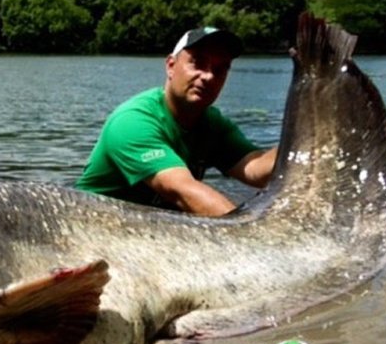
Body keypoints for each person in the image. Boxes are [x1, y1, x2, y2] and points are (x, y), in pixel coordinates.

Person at [75, 26, 277, 216]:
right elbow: (182, 191)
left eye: (219, 69)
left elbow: (257, 170)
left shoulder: (212, 124)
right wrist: (251, 229)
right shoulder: (132, 121)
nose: (208, 76)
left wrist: (306, 140)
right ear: (171, 66)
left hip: (153, 231)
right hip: (91, 229)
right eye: (197, 62)